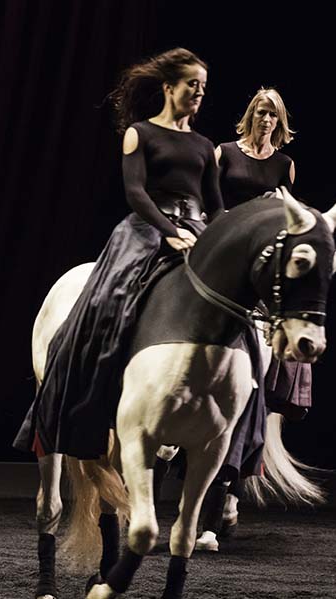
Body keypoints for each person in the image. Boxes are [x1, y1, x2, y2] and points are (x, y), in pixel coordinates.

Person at [16, 47, 222, 460]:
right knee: (111, 300)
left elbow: (215, 204)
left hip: (197, 231)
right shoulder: (140, 134)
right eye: (191, 85)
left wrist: (222, 237)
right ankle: (89, 384)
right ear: (169, 87)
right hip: (147, 229)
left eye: (203, 87)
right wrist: (170, 232)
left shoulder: (203, 144)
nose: (198, 93)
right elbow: (136, 193)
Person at [195, 87, 312, 551]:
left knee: (293, 305)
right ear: (251, 114)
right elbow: (209, 204)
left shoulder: (285, 165)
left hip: (259, 259)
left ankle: (282, 378)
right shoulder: (223, 153)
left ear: (280, 121)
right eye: (261, 111)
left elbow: (287, 220)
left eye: (274, 114)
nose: (266, 119)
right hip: (223, 245)